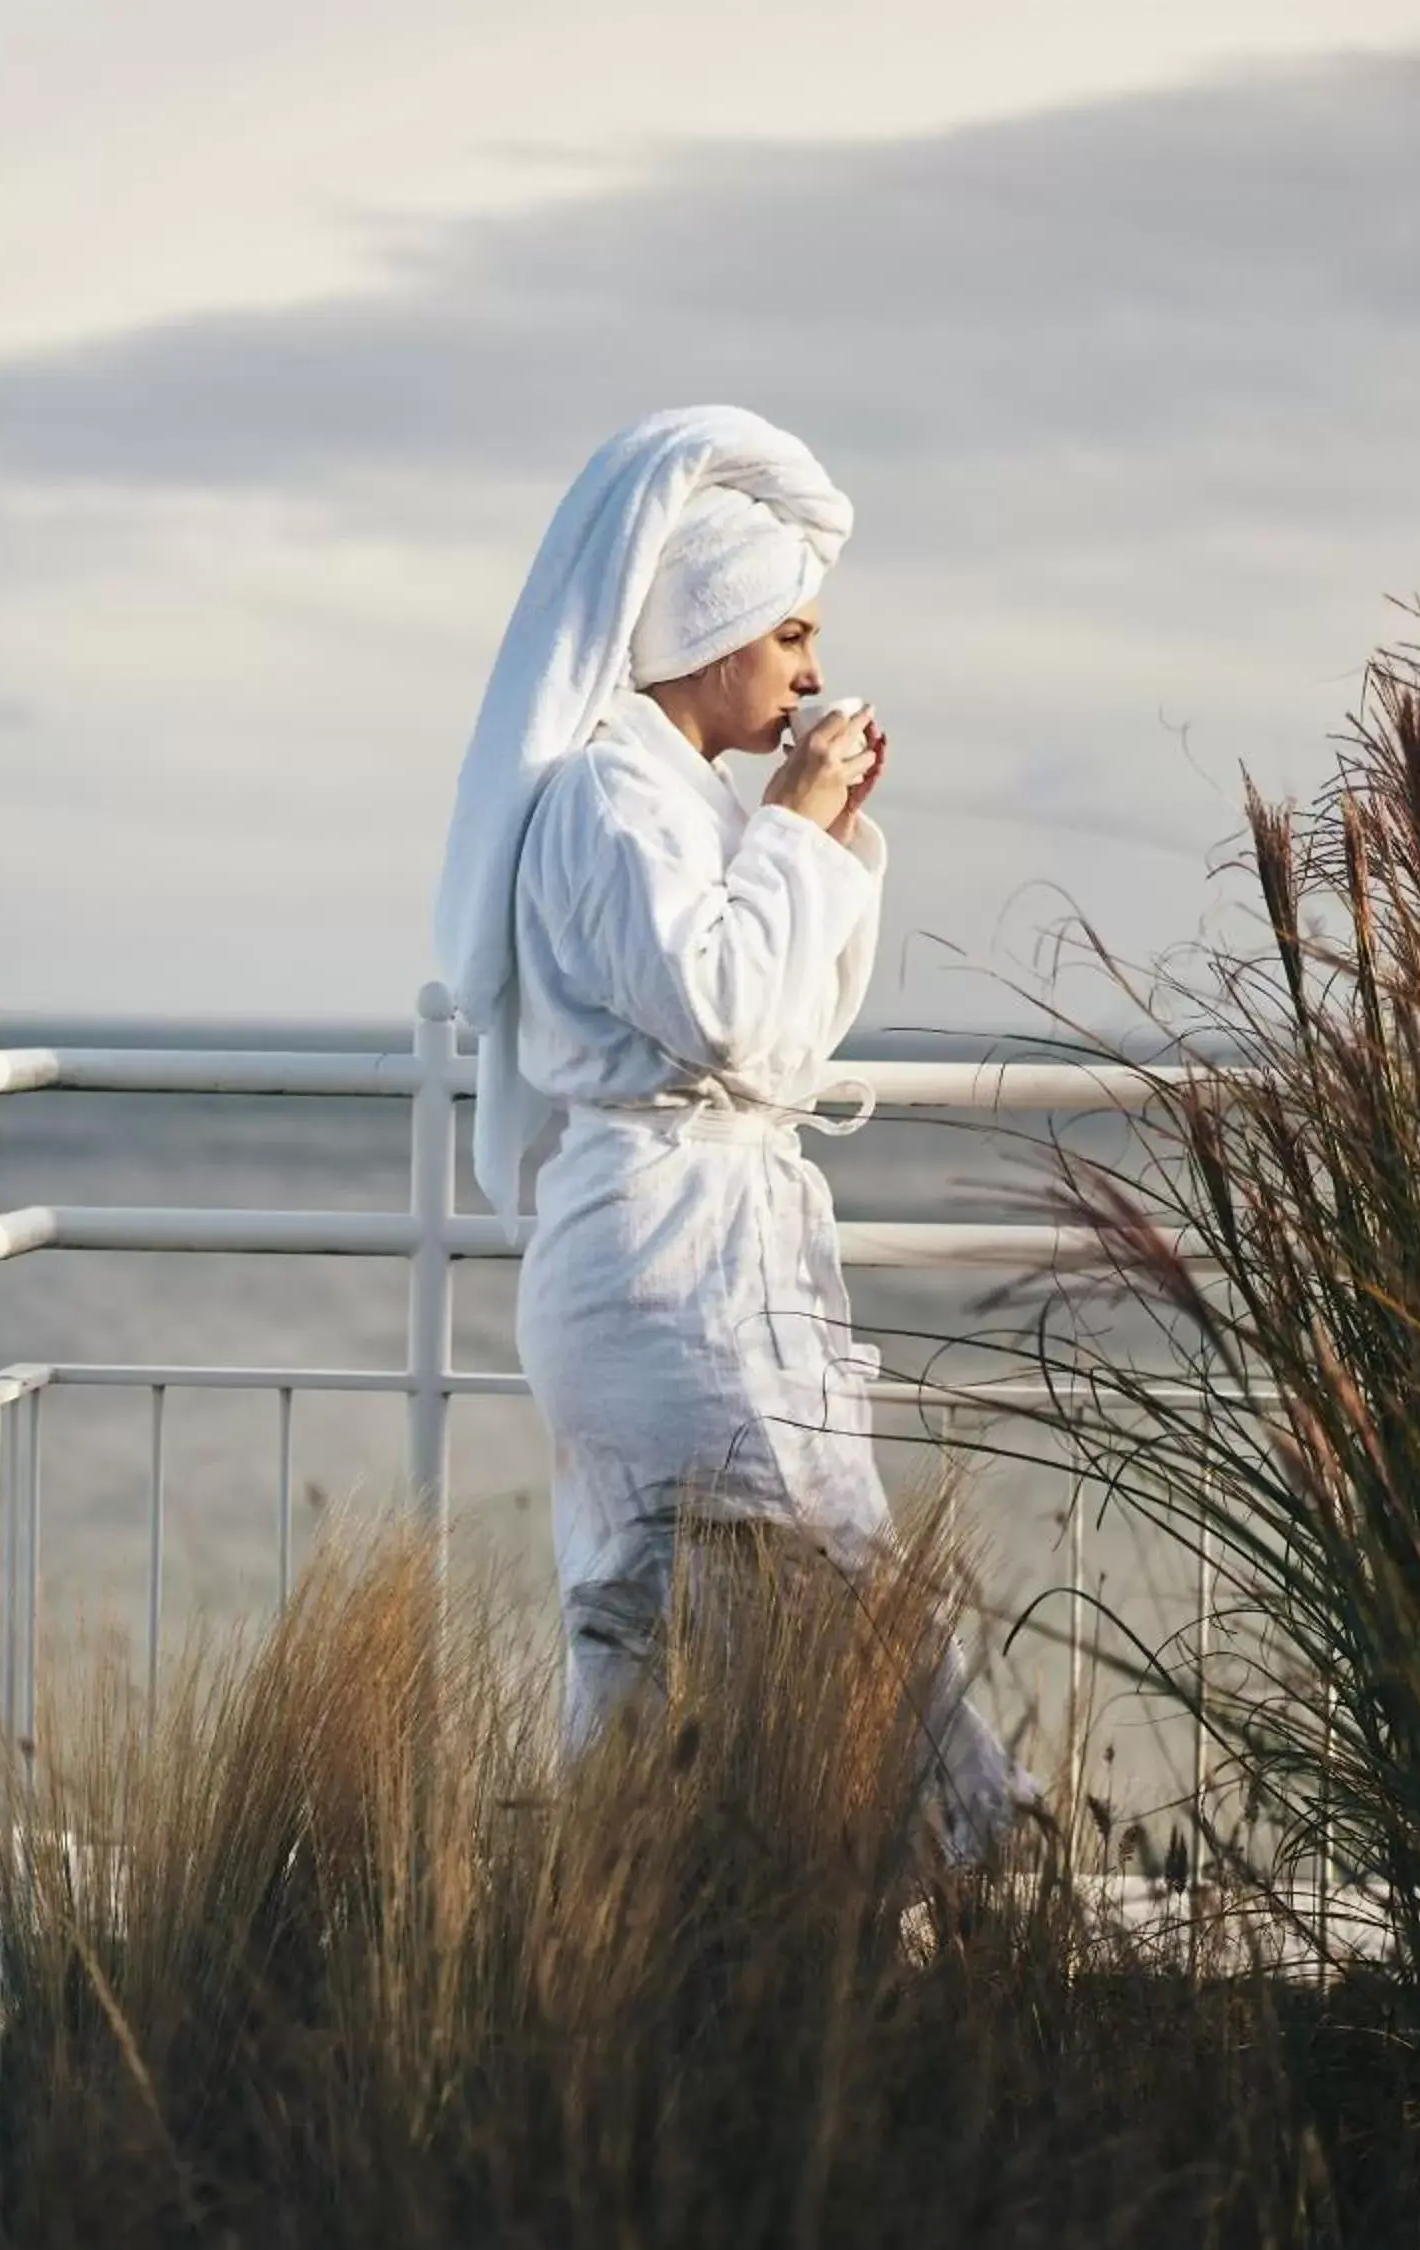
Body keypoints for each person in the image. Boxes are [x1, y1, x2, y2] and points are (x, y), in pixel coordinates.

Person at [431, 404, 1035, 1861]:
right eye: (793, 635)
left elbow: (788, 1036)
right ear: (712, 633)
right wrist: (795, 822)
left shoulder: (684, 802)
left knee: (693, 1631)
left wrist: (811, 831)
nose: (816, 671)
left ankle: (653, 1947)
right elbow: (723, 1006)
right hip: (656, 1266)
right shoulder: (604, 800)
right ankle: (933, 1872)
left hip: (701, 1251)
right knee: (777, 1595)